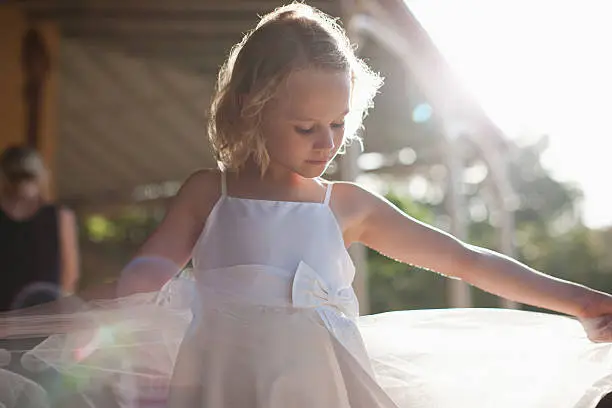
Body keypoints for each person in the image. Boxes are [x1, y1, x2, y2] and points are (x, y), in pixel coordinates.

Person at [3, 3, 612, 407]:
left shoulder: (346, 206)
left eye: (338, 124)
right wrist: (60, 315)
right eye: (305, 127)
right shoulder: (209, 193)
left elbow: (464, 260)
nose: (326, 143)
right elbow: (143, 279)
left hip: (323, 389)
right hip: (223, 387)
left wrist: (578, 300)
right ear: (250, 108)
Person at [0, 145, 79, 311]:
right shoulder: (60, 216)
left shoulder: (60, 216)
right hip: (41, 316)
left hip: (37, 315)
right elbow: (70, 274)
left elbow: (69, 275)